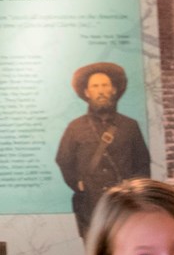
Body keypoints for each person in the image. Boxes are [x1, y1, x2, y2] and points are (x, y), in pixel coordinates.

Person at [56, 62, 151, 239]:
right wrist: (77, 183)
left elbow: (142, 163)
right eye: (95, 86)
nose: (100, 90)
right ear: (87, 92)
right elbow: (63, 159)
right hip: (90, 207)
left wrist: (136, 194)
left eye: (105, 85)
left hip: (125, 206)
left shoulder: (130, 126)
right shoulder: (75, 127)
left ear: (113, 90)